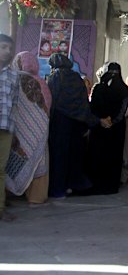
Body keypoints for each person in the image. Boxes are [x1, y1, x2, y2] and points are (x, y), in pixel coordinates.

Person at [47, 53, 101, 198]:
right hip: (77, 123)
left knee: (59, 156)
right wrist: (87, 122)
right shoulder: (77, 78)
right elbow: (83, 102)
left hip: (60, 123)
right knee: (73, 156)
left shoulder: (56, 77)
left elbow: (52, 100)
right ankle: (72, 185)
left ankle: (58, 189)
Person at [6, 51, 51, 205]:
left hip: (16, 127)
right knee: (39, 160)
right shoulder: (41, 82)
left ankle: (9, 194)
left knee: (13, 157)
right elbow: (48, 105)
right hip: (40, 129)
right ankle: (36, 197)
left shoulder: (14, 78)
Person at [86, 62, 128, 195]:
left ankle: (96, 184)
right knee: (114, 155)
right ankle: (111, 185)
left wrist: (102, 120)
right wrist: (113, 121)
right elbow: (123, 108)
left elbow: (92, 108)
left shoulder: (98, 88)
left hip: (100, 128)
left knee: (98, 154)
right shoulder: (123, 89)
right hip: (116, 129)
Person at [0, 34, 18, 221]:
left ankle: (0, 207)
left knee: (0, 169)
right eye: (3, 47)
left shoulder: (13, 75)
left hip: (5, 127)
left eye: (9, 48)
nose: (7, 52)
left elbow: (16, 102)